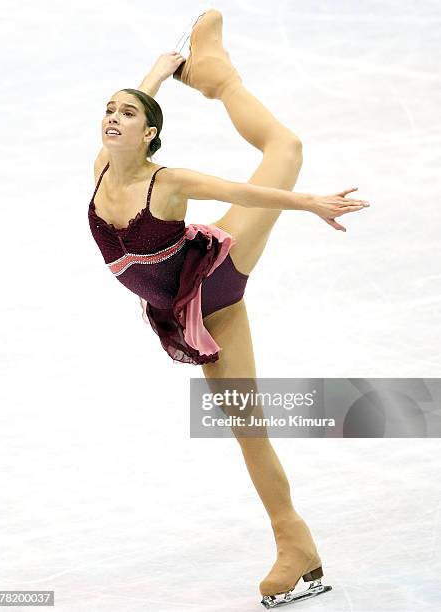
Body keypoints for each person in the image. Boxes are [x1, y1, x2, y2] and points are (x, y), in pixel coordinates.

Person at [88, 9, 370, 607]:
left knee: (286, 148)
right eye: (109, 110)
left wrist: (308, 202)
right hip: (181, 302)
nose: (113, 118)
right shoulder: (103, 170)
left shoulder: (168, 180)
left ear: (150, 136)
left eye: (127, 113)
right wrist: (160, 73)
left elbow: (242, 191)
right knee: (245, 427)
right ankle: (300, 544)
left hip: (218, 286)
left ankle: (220, 80)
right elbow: (134, 113)